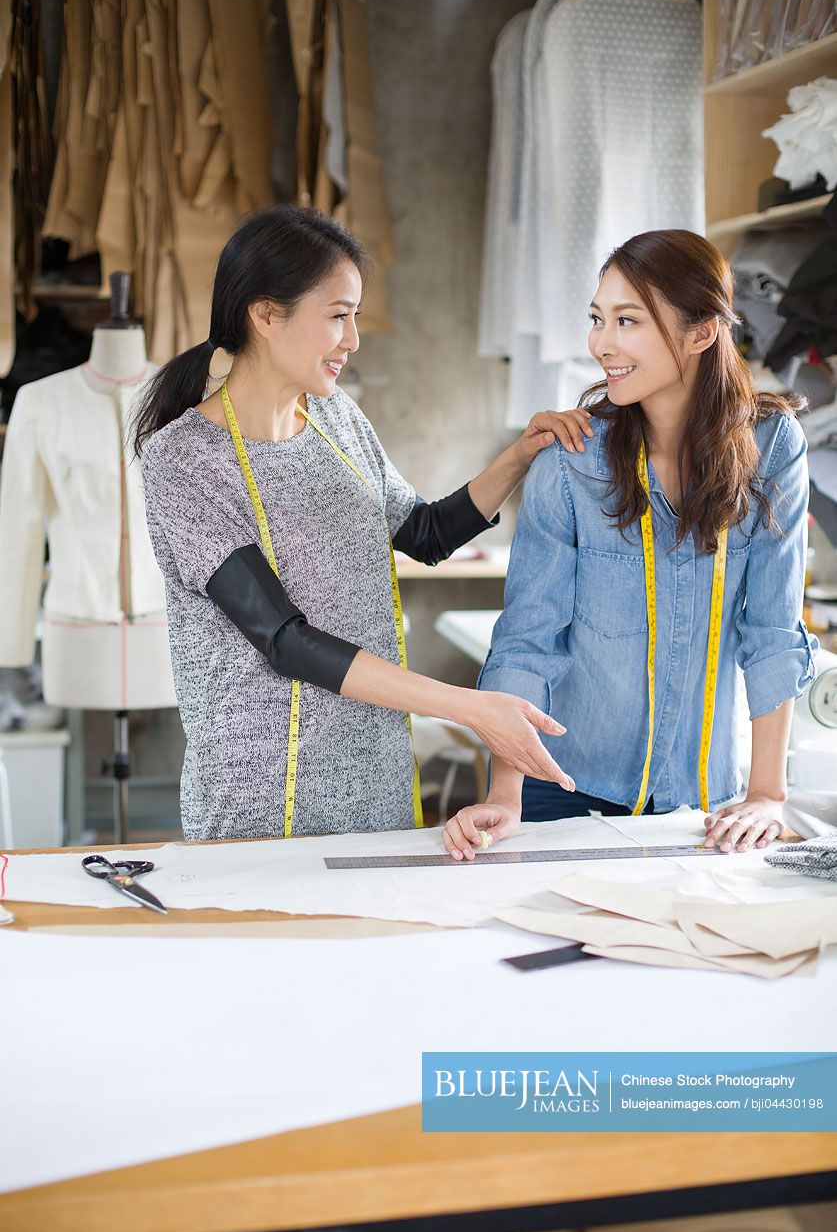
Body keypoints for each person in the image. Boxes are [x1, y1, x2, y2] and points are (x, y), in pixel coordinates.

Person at [133, 205, 591, 841]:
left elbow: (424, 535)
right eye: (338, 316)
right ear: (265, 315)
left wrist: (519, 456)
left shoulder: (338, 421)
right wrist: (467, 708)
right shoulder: (184, 461)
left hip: (375, 765)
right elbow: (284, 639)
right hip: (264, 792)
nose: (352, 340)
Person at [443, 229, 817, 861]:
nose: (601, 344)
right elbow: (529, 638)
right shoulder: (570, 461)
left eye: (627, 321)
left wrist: (767, 796)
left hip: (708, 806)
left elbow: (773, 631)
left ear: (701, 332)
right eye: (597, 319)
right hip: (565, 789)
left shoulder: (773, 445)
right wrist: (507, 793)